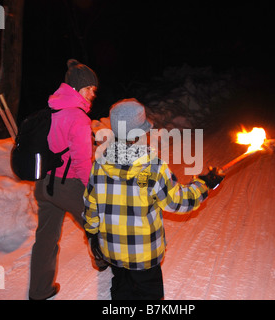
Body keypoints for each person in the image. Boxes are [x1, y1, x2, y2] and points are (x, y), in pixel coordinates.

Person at [82, 98, 223, 300]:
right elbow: (178, 202)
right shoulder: (153, 166)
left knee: (121, 291)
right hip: (144, 254)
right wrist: (204, 184)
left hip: (112, 250)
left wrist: (92, 234)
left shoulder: (99, 164)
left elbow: (91, 206)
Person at [28, 59, 99, 300]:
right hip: (66, 185)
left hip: (44, 184)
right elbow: (81, 162)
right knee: (97, 222)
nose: (92, 94)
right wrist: (93, 188)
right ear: (79, 88)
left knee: (45, 239)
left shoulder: (52, 108)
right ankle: (106, 263)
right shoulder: (78, 117)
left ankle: (39, 290)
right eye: (90, 89)